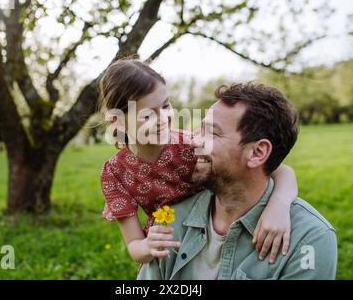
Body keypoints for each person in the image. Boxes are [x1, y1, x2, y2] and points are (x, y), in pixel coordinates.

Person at [99, 60, 299, 265]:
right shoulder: (115, 172)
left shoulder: (190, 144)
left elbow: (281, 171)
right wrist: (147, 247)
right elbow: (134, 245)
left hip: (215, 232)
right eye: (148, 114)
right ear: (118, 121)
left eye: (166, 106)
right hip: (169, 250)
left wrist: (279, 205)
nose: (163, 119)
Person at [138, 82, 337, 280]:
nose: (194, 141)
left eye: (212, 133)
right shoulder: (171, 219)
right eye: (200, 130)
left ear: (257, 153)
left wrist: (281, 202)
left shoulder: (309, 239)